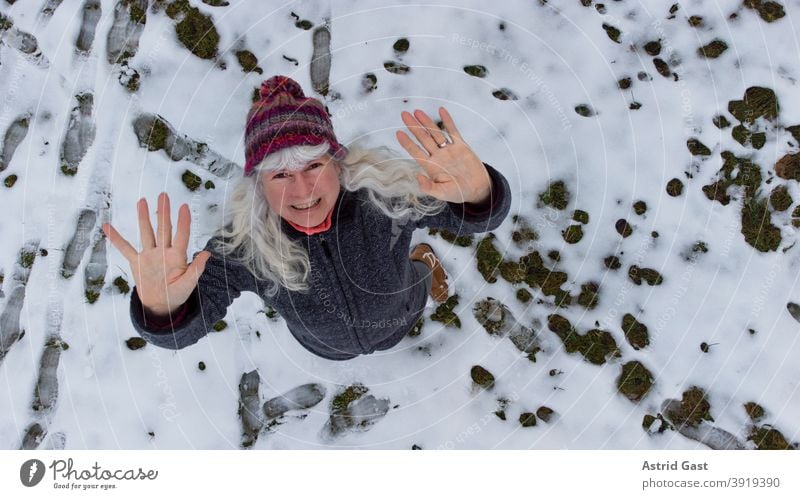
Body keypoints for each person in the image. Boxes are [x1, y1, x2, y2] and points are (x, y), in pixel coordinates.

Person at [103, 75, 512, 361]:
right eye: (281, 174)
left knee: (417, 280)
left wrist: (478, 194)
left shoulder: (382, 197)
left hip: (405, 305)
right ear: (258, 185)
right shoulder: (244, 247)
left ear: (339, 162)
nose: (303, 191)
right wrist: (162, 311)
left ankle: (424, 265)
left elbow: (472, 217)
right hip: (325, 346)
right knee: (347, 346)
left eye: (314, 166)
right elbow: (187, 327)